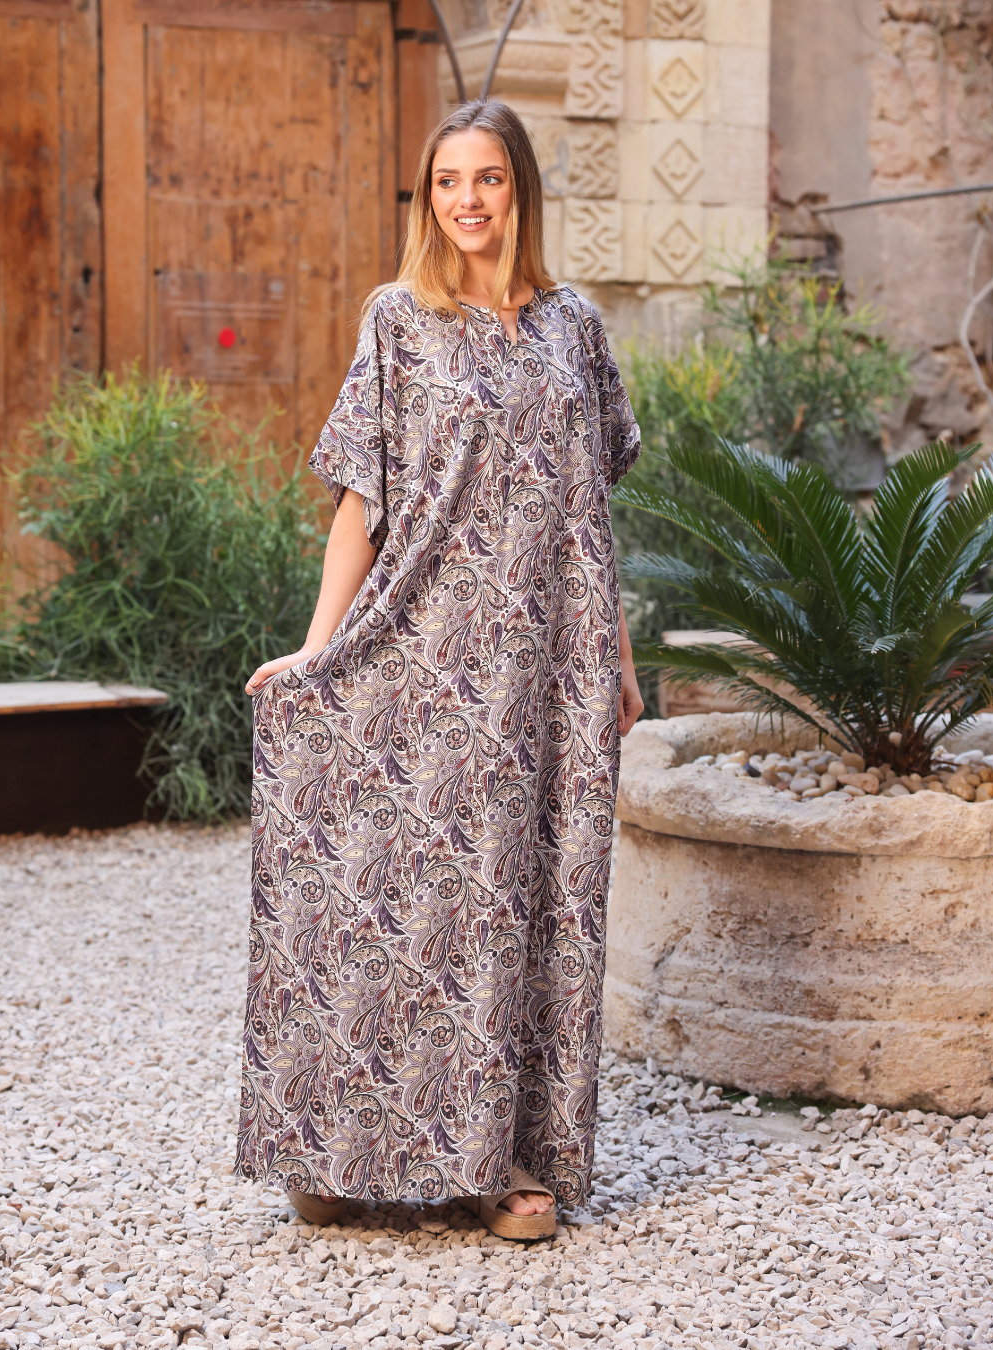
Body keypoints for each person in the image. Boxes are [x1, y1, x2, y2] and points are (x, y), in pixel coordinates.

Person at [237, 99, 643, 1240]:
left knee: (527, 899)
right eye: (448, 182)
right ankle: (335, 1145)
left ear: (521, 191)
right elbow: (359, 500)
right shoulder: (399, 319)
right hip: (423, 648)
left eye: (489, 179)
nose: (468, 201)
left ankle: (504, 1158)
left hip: (552, 668)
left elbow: (594, 509)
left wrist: (619, 657)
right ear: (428, 198)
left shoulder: (576, 327)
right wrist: (321, 649)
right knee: (392, 892)